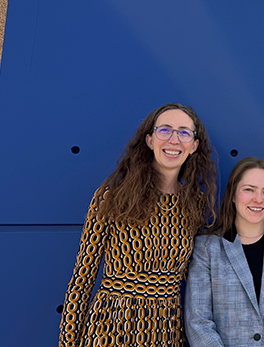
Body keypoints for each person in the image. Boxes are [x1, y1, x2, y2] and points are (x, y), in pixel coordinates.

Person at [59, 103, 218, 347]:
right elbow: (82, 278)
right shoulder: (113, 196)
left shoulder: (194, 205)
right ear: (149, 140)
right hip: (108, 331)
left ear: (194, 146)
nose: (174, 139)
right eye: (165, 130)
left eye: (184, 132)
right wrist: (67, 343)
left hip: (164, 332)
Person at [185, 157, 264, 346]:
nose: (258, 199)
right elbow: (198, 320)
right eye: (249, 189)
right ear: (233, 195)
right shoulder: (207, 249)